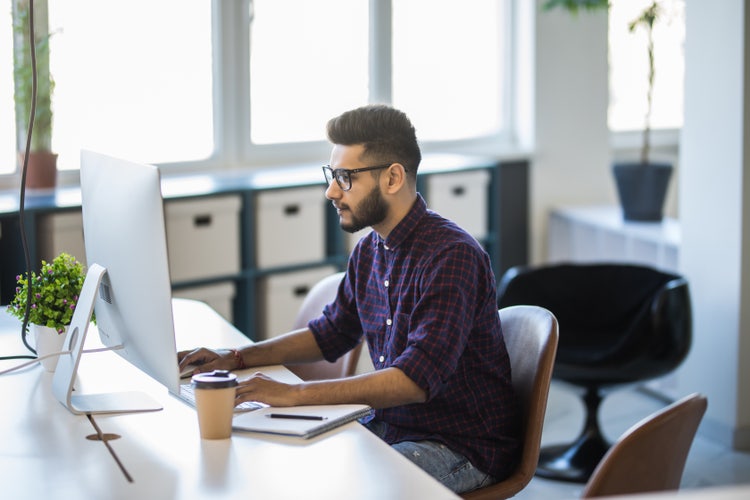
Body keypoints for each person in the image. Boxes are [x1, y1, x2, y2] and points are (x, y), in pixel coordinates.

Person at [178, 104, 520, 494]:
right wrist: (237, 356)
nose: (331, 191)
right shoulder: (370, 250)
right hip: (389, 426)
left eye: (345, 177)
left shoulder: (451, 257)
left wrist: (296, 394)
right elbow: (331, 334)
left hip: (459, 444)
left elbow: (414, 381)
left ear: (392, 178)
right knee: (278, 465)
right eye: (332, 175)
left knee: (338, 488)